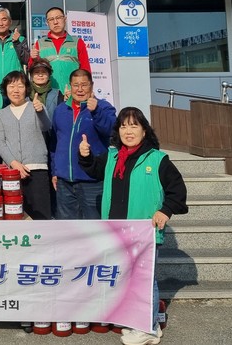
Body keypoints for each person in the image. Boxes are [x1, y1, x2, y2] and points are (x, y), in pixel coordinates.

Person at [79, 107, 188, 345]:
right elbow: (94, 170)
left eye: (134, 126)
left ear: (144, 130)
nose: (128, 131)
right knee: (128, 278)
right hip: (117, 231)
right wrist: (85, 156)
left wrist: (165, 210)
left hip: (144, 232)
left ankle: (148, 329)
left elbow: (178, 190)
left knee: (145, 280)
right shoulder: (112, 157)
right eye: (123, 126)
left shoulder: (157, 159)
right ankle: (144, 323)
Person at [51, 68, 116, 220]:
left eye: (84, 85)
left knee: (95, 227)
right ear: (70, 86)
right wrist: (55, 171)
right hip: (64, 183)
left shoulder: (103, 107)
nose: (79, 89)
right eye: (76, 85)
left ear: (91, 86)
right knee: (68, 229)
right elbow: (54, 143)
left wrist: (96, 111)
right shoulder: (60, 110)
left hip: (92, 182)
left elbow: (112, 130)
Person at [0, 71, 52, 220]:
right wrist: (14, 164)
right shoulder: (0, 115)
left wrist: (40, 111)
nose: (16, 90)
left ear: (26, 88)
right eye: (11, 86)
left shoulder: (37, 107)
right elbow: (1, 143)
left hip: (37, 170)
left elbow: (46, 126)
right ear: (5, 89)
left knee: (40, 217)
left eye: (20, 86)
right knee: (15, 216)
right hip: (11, 173)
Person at [30, 6, 91, 92]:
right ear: (47, 23)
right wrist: (34, 59)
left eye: (58, 18)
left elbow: (85, 69)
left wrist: (87, 90)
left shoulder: (77, 42)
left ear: (65, 19)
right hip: (48, 94)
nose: (55, 22)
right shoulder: (40, 43)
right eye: (51, 19)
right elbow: (32, 70)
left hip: (72, 93)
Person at [0, 7, 29, 85]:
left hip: (15, 86)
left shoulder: (21, 39)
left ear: (10, 22)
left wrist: (17, 43)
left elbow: (27, 60)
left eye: (4, 19)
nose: (1, 23)